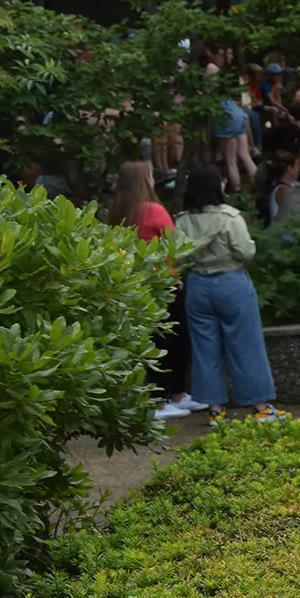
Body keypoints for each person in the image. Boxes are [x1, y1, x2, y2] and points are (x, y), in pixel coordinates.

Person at [176, 166, 282, 425]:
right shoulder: (230, 217)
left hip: (198, 284)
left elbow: (178, 253)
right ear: (215, 187)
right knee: (246, 344)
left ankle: (215, 410)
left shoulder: (182, 220)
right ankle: (260, 406)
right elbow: (246, 252)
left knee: (205, 348)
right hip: (231, 281)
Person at [111, 161, 199, 420]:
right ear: (143, 180)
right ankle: (170, 395)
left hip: (135, 283)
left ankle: (160, 396)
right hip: (164, 282)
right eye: (149, 175)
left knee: (150, 339)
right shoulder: (154, 210)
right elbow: (174, 246)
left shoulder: (118, 211)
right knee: (176, 338)